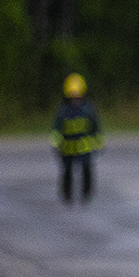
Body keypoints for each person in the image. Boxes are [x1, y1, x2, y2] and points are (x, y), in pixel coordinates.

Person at [51, 73, 102, 203]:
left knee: (86, 168)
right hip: (67, 149)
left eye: (78, 96)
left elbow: (95, 128)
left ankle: (86, 193)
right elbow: (56, 129)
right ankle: (67, 194)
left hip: (84, 148)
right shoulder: (63, 111)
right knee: (67, 171)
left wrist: (99, 143)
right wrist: (56, 144)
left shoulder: (88, 109)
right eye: (72, 96)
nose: (75, 100)